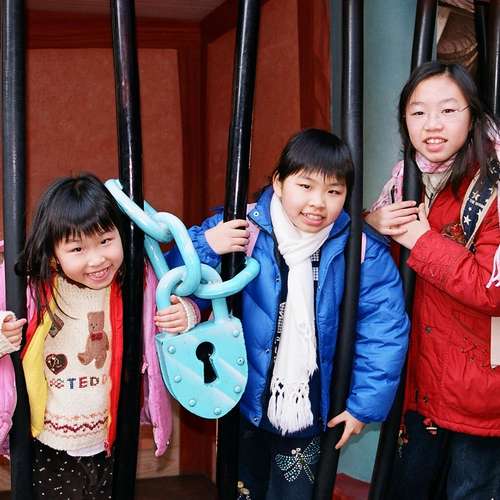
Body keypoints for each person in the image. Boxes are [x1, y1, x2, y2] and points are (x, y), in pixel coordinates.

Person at [160, 128, 410, 500]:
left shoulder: (359, 248)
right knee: (242, 491)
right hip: (241, 398)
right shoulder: (244, 227)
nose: (318, 203)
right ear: (279, 182)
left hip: (311, 408)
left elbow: (384, 329)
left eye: (334, 191)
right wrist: (207, 245)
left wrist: (363, 406)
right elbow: (170, 276)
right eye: (305, 186)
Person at [366, 62, 500, 499]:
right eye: (418, 112)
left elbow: (492, 289)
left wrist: (422, 241)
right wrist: (372, 224)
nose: (432, 124)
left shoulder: (493, 184)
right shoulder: (406, 181)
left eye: (447, 110)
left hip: (482, 393)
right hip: (420, 384)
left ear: (473, 116)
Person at [0, 173, 177, 499]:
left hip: (109, 437)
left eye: (106, 241)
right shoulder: (33, 285)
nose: (96, 259)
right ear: (53, 252)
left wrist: (184, 315)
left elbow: (175, 305)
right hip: (49, 442)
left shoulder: (135, 282)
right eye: (78, 248)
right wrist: (3, 333)